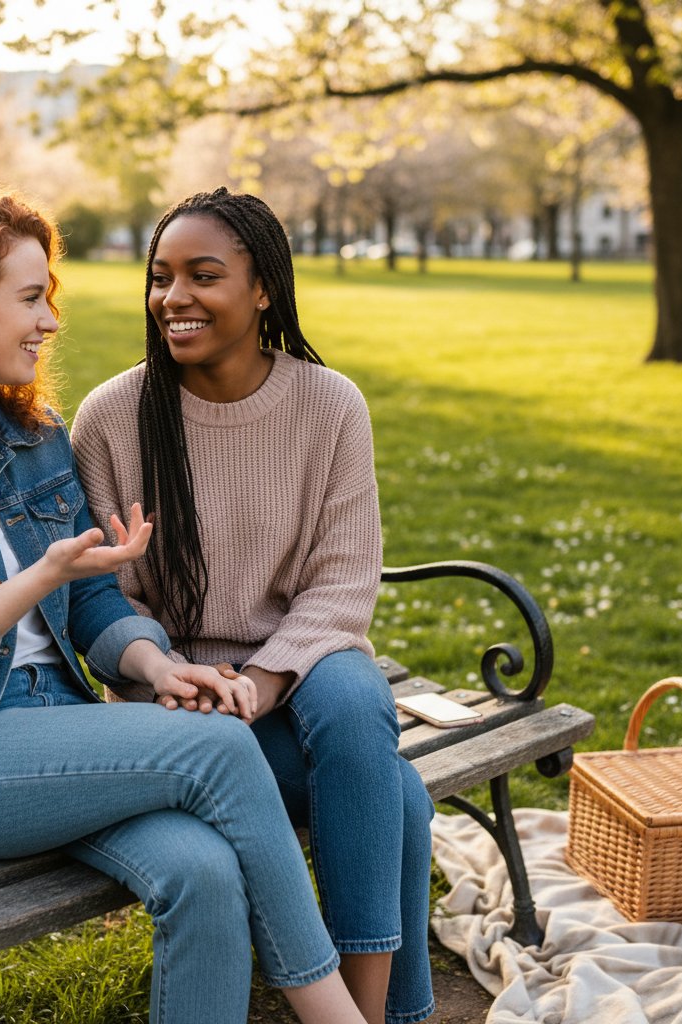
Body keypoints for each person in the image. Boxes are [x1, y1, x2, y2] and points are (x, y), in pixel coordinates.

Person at [0, 184, 372, 1024]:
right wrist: (38, 578)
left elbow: (97, 603)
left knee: (202, 871)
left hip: (61, 736)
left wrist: (156, 665)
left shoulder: (34, 438)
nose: (50, 322)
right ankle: (333, 1014)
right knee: (218, 751)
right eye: (30, 298)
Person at [71, 186, 436, 1024]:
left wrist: (268, 679)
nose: (174, 299)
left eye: (204, 276)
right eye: (161, 278)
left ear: (263, 287)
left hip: (298, 673)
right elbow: (106, 599)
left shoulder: (329, 405)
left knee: (353, 698)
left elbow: (344, 584)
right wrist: (179, 676)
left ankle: (365, 1014)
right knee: (401, 797)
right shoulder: (114, 417)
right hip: (176, 699)